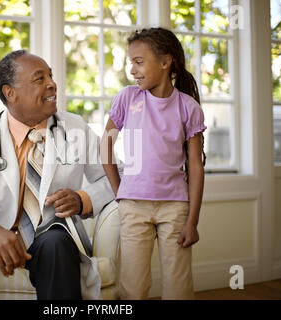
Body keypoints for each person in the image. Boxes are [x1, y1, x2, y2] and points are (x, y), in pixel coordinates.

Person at [0, 50, 114, 300]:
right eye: (40, 79)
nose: (52, 84)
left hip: (46, 238)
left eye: (51, 75)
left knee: (56, 243)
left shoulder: (75, 128)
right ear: (10, 93)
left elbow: (117, 178)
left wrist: (83, 199)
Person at [100, 27, 207, 300]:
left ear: (165, 61)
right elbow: (105, 147)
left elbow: (195, 166)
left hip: (175, 208)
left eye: (139, 62)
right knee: (133, 287)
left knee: (178, 287)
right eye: (131, 63)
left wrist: (192, 221)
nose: (133, 70)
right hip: (133, 207)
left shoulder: (188, 107)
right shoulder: (127, 98)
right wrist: (120, 194)